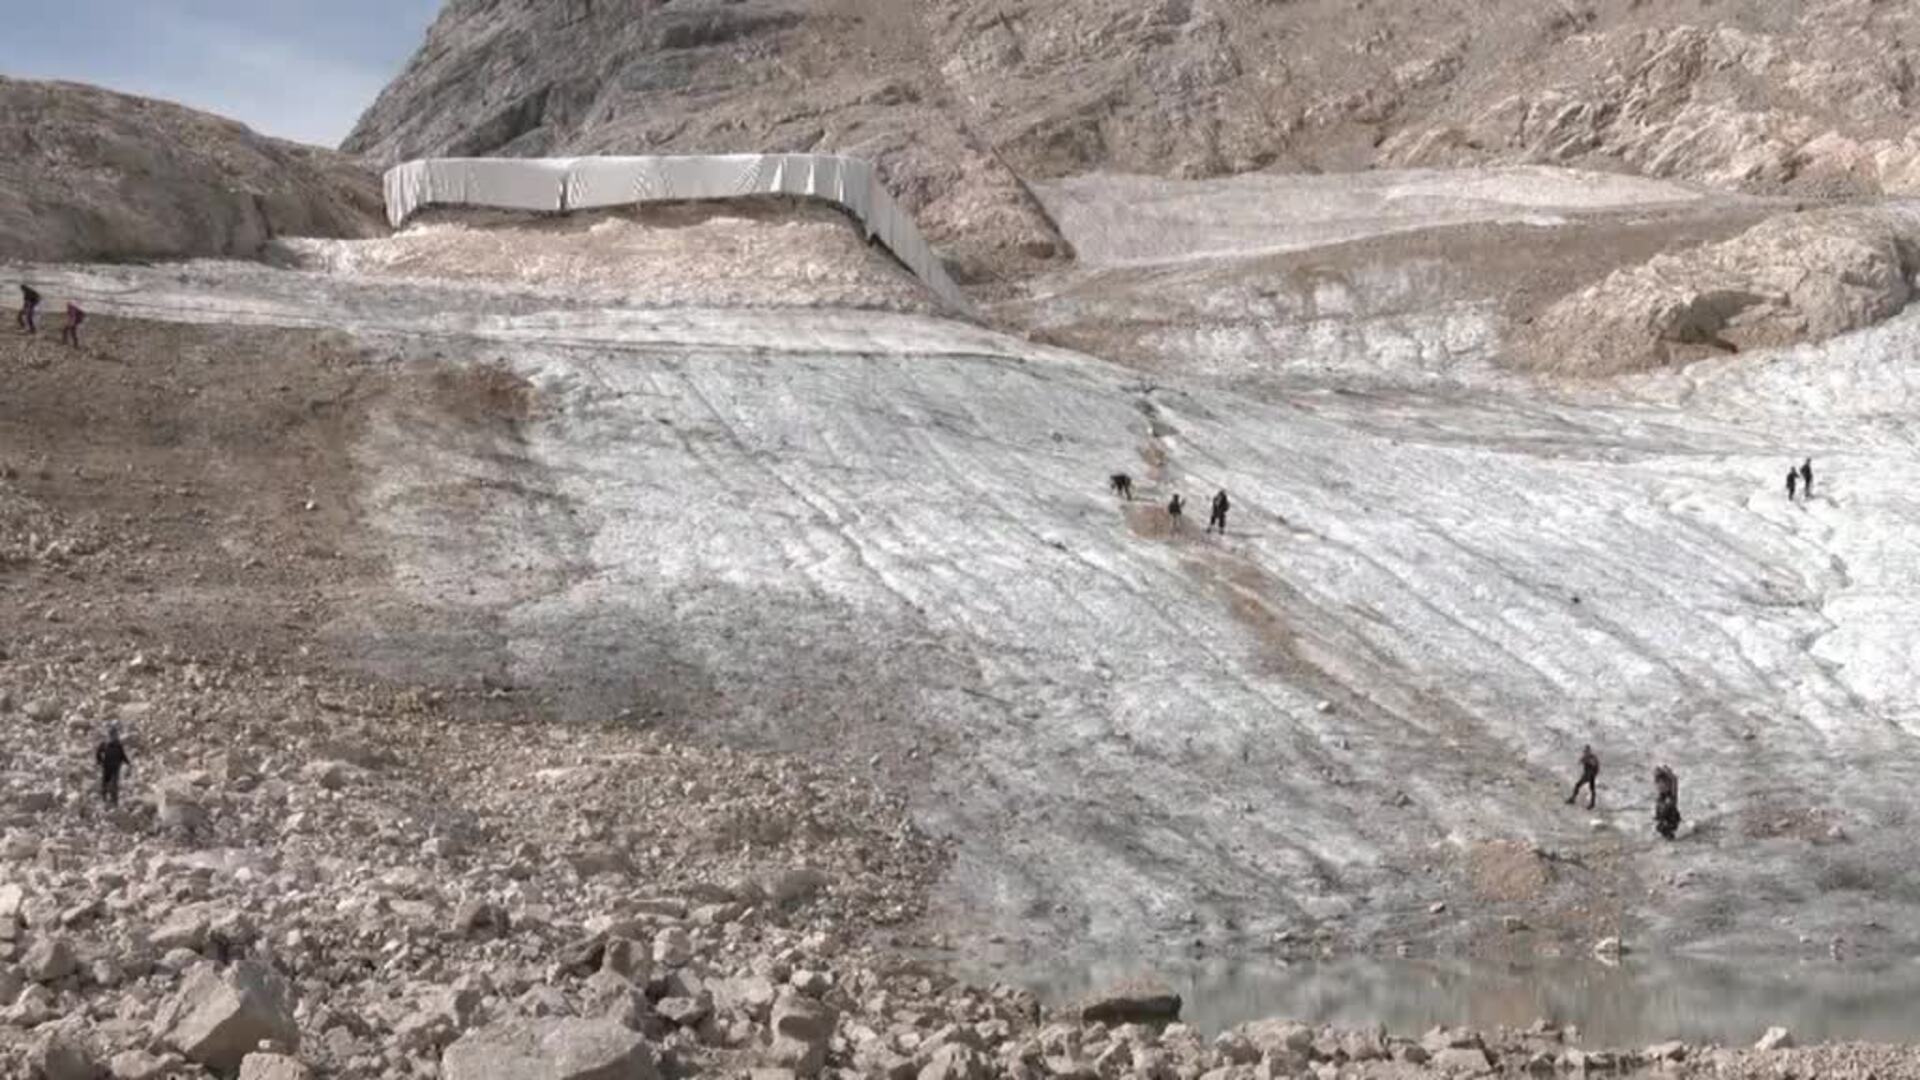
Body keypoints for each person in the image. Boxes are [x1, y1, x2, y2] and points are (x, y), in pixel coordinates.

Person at [95, 725, 131, 807]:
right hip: (107, 766)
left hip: (115, 768)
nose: (114, 736)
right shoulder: (105, 744)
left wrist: (127, 763)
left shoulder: (118, 745)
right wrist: (100, 761)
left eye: (114, 734)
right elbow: (98, 753)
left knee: (113, 785)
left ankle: (114, 802)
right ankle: (104, 800)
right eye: (112, 734)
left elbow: (122, 755)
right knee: (105, 783)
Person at [1566, 744, 1599, 809]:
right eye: (1585, 751)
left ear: (1589, 751)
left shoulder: (1592, 758)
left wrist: (1587, 761)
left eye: (1586, 751)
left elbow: (1595, 765)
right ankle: (1592, 804)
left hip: (1589, 775)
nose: (1585, 752)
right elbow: (1580, 762)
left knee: (1579, 785)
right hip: (1589, 775)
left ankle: (1573, 799)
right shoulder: (1587, 757)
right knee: (1591, 789)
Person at [1653, 765, 1680, 840]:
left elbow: (1674, 780)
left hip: (1670, 815)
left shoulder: (1671, 795)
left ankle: (1668, 832)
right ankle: (1667, 831)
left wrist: (1669, 773)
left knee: (1667, 813)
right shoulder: (1661, 796)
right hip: (1666, 814)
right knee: (1661, 825)